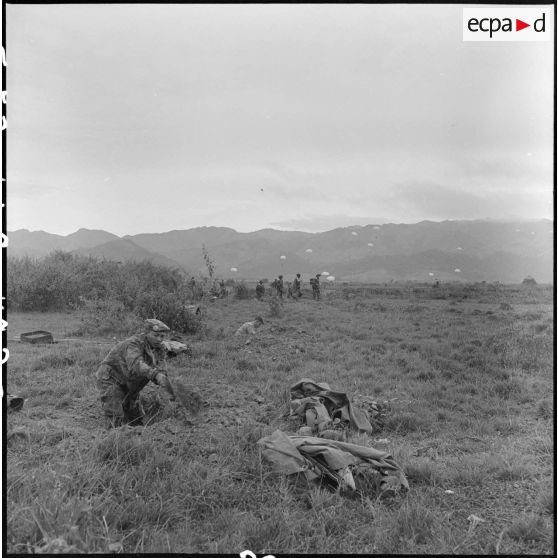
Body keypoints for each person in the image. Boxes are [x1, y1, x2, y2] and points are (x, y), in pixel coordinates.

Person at [95, 318, 176, 428]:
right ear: (147, 333)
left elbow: (161, 368)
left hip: (131, 385)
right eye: (156, 335)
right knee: (115, 419)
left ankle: (136, 441)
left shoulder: (160, 348)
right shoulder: (134, 343)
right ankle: (112, 442)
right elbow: (135, 364)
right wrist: (155, 375)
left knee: (136, 420)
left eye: (162, 336)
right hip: (111, 379)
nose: (159, 339)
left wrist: (164, 381)